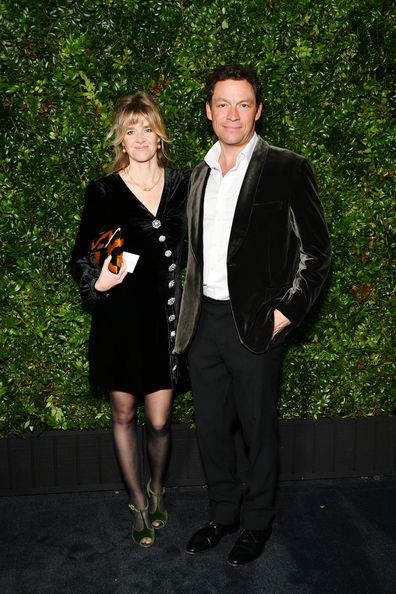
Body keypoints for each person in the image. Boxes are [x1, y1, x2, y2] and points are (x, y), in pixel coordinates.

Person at [175, 64, 331, 565]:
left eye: (244, 104)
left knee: (259, 429)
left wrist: (287, 312)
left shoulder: (288, 167)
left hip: (257, 324)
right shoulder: (198, 175)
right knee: (211, 427)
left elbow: (317, 251)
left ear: (258, 110)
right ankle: (223, 514)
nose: (233, 114)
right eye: (223, 103)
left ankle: (258, 522)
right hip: (204, 324)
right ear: (209, 111)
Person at [70, 93, 189, 548]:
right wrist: (96, 283)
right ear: (121, 138)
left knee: (159, 420)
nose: (139, 138)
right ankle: (137, 501)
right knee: (123, 412)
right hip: (120, 320)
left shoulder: (183, 184)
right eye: (130, 130)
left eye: (147, 128)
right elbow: (83, 254)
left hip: (165, 321)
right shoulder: (103, 191)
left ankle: (158, 486)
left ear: (159, 134)